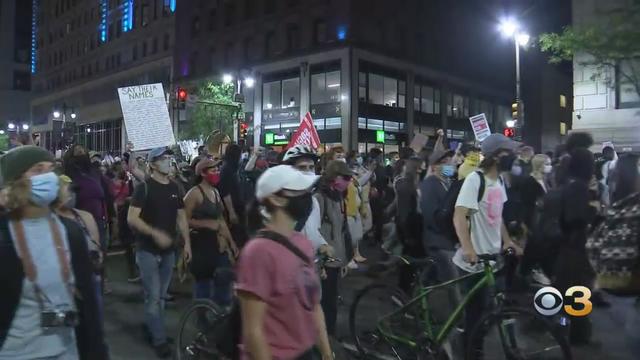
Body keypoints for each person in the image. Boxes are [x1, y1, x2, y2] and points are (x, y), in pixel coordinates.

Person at [0, 146, 107, 359]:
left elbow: (89, 306)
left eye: (51, 169)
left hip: (67, 350)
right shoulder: (4, 236)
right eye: (38, 170)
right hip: (15, 352)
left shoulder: (70, 231)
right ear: (15, 180)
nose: (48, 177)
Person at [236, 165, 333, 360]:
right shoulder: (258, 252)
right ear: (276, 198)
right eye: (299, 191)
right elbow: (253, 332)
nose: (307, 196)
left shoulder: (302, 243)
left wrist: (326, 352)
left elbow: (313, 304)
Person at [453, 134, 523, 354]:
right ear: (495, 156)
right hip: (473, 263)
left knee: (495, 311)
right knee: (475, 317)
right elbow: (459, 215)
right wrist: (468, 248)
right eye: (508, 152)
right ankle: (469, 353)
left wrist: (507, 240)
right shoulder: (476, 179)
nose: (513, 156)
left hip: (493, 260)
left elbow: (497, 216)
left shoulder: (499, 180)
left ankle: (491, 349)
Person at [127, 147, 191, 358]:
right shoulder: (144, 188)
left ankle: (155, 329)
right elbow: (132, 218)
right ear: (153, 164)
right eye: (163, 159)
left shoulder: (174, 187)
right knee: (154, 296)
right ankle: (159, 339)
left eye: (169, 158)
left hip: (168, 251)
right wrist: (154, 233)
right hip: (147, 251)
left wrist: (187, 244)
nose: (168, 161)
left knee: (160, 296)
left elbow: (181, 217)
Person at [553, 148, 598, 345]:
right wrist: (593, 212)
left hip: (567, 248)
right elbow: (576, 218)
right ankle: (576, 335)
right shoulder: (579, 187)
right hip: (575, 248)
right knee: (578, 292)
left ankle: (567, 330)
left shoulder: (569, 185)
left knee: (569, 293)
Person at [183, 159, 237, 305]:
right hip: (201, 246)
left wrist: (232, 244)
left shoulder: (215, 192)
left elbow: (220, 221)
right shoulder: (194, 194)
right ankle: (203, 321)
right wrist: (205, 224)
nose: (217, 173)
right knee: (203, 288)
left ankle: (220, 319)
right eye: (213, 171)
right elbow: (182, 220)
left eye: (218, 170)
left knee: (224, 284)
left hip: (218, 246)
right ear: (202, 173)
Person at [315, 160, 351, 336]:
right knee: (324, 302)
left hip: (336, 260)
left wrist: (343, 260)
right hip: (324, 262)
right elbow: (315, 232)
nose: (347, 182)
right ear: (333, 177)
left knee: (331, 302)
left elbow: (341, 233)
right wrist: (320, 263)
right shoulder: (319, 198)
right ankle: (325, 339)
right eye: (344, 177)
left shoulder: (339, 198)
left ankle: (330, 336)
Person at [420, 147, 458, 286]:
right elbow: (432, 217)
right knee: (455, 282)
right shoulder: (430, 185)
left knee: (430, 278)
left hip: (447, 239)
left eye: (451, 162)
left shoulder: (446, 183)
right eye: (446, 163)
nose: (451, 165)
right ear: (435, 166)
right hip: (438, 241)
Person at [519, 154, 553, 285]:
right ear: (539, 165)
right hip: (533, 218)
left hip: (544, 218)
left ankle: (535, 270)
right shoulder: (529, 181)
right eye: (546, 164)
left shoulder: (545, 180)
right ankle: (528, 272)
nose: (549, 167)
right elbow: (527, 203)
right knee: (533, 245)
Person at [218, 144, 248, 248]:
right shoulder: (227, 169)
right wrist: (231, 212)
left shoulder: (233, 169)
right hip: (233, 209)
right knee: (237, 237)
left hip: (238, 208)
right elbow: (225, 192)